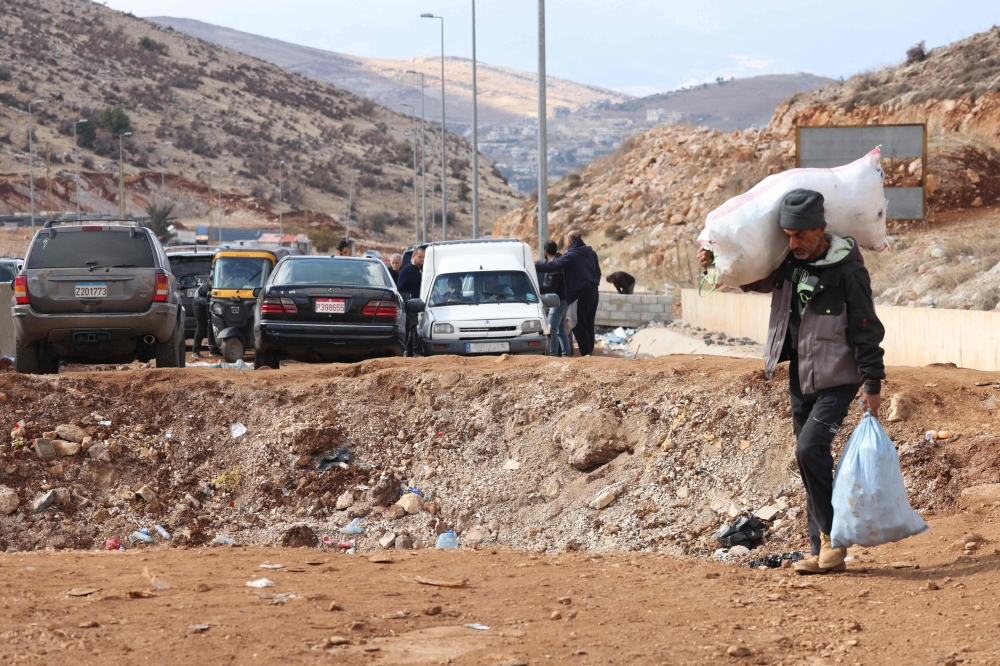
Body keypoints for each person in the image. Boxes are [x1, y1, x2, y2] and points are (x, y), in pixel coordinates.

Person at [697, 188, 885, 576]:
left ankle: (834, 540)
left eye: (800, 235)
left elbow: (866, 326)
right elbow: (752, 278)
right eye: (787, 235)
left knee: (808, 449)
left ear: (820, 229)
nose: (793, 242)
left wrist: (873, 383)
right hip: (800, 376)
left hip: (839, 378)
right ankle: (820, 549)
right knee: (811, 461)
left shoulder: (848, 268)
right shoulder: (790, 263)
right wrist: (716, 263)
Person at [534, 230, 601, 356]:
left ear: (569, 241)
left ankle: (586, 355)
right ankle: (589, 354)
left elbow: (553, 265)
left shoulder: (572, 254)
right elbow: (598, 273)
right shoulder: (591, 252)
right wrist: (594, 285)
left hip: (579, 295)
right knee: (589, 324)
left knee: (578, 325)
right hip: (593, 293)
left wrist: (533, 265)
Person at [539, 240, 571, 357]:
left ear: (545, 251)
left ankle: (552, 355)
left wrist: (536, 289)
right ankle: (566, 355)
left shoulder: (555, 265)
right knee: (561, 330)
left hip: (557, 301)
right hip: (563, 299)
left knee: (552, 330)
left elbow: (551, 287)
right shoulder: (558, 261)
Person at [397, 246, 425, 357]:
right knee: (414, 327)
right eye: (420, 257)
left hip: (419, 304)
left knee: (414, 327)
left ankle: (409, 351)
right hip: (410, 304)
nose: (422, 259)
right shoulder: (406, 271)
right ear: (413, 256)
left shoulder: (420, 271)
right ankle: (416, 351)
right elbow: (400, 289)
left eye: (424, 257)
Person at [192, 274, 219, 358]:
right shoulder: (212, 277)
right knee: (201, 327)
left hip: (208, 304)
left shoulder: (220, 276)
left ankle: (214, 350)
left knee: (212, 325)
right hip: (199, 303)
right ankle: (195, 351)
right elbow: (206, 289)